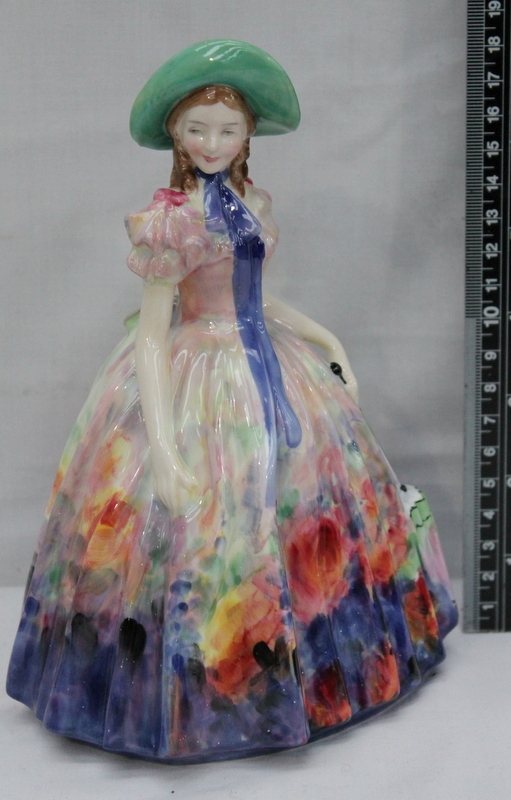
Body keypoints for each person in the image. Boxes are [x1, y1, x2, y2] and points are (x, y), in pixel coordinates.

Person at [7, 40, 457, 763]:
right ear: (175, 136)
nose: (212, 143)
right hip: (195, 373)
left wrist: (323, 336)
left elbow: (253, 299)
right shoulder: (168, 222)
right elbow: (153, 335)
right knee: (204, 533)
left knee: (300, 500)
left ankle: (321, 670)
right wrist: (162, 447)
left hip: (266, 364)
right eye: (197, 129)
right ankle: (195, 692)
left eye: (227, 129)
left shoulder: (253, 204)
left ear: (248, 135)